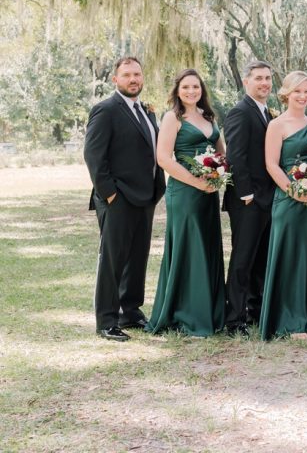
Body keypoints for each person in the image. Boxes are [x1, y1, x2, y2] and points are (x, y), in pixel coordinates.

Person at [83, 56, 166, 341]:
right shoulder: (106, 110)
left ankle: (130, 311)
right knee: (113, 259)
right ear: (115, 79)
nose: (134, 79)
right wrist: (110, 194)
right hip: (117, 198)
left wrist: (157, 189)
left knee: (137, 257)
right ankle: (106, 320)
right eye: (127, 75)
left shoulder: (146, 111)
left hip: (145, 196)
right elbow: (94, 156)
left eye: (138, 74)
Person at [147, 69, 226, 336]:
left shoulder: (208, 117)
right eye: (186, 87)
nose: (191, 91)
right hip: (185, 192)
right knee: (188, 248)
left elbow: (221, 152)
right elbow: (164, 159)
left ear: (202, 90)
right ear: (177, 90)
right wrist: (197, 181)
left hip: (208, 192)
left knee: (207, 246)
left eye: (196, 87)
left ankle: (210, 310)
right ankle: (185, 312)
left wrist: (218, 173)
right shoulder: (172, 118)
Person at [259, 71, 307, 339]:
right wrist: (294, 191)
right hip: (288, 200)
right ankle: (290, 320)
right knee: (291, 258)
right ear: (286, 94)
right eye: (297, 91)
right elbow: (271, 165)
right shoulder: (277, 125)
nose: (302, 96)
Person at [222, 60, 274, 338]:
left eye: (267, 78)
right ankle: (234, 319)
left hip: (267, 199)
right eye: (258, 78)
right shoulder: (240, 112)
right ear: (246, 82)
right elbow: (236, 157)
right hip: (247, 200)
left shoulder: (266, 113)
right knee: (242, 261)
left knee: (259, 260)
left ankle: (253, 311)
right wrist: (247, 194)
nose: (264, 83)